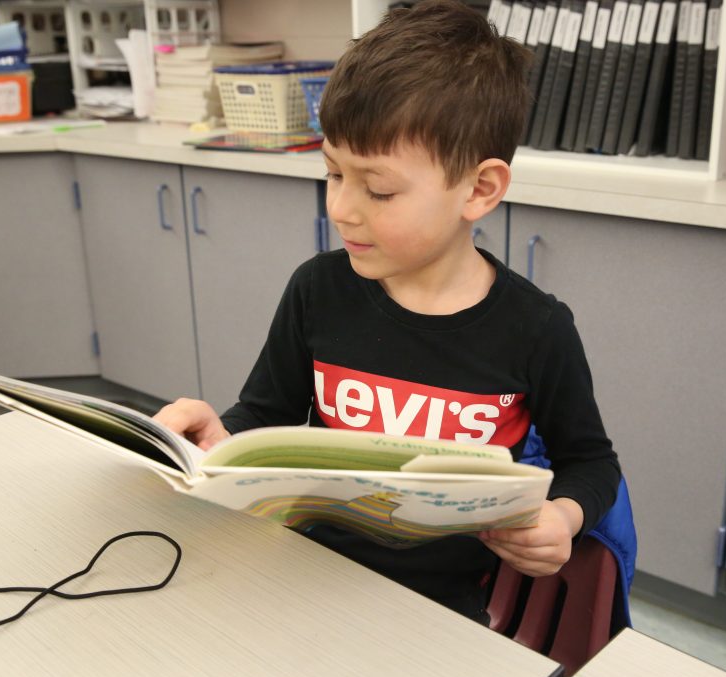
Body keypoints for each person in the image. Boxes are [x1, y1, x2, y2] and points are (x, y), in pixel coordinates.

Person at [154, 0, 620, 624]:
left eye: (377, 189)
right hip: (302, 571)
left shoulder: (534, 329)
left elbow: (591, 462)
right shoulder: (318, 290)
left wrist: (563, 516)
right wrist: (222, 442)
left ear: (479, 190)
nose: (342, 209)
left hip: (443, 608)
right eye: (332, 173)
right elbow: (266, 412)